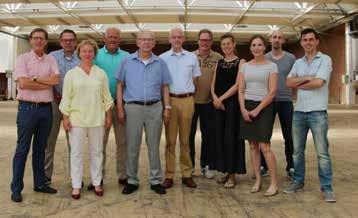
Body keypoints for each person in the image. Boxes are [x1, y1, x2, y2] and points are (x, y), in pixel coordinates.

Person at [116, 30, 171, 195]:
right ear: (137, 42)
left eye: (150, 40)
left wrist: (167, 107)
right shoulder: (126, 61)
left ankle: (155, 181)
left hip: (155, 107)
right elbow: (120, 85)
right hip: (133, 108)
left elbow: (165, 86)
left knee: (154, 145)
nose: (146, 42)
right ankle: (132, 180)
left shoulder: (160, 63)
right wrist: (120, 108)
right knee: (132, 146)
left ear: (154, 43)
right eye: (143, 40)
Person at [283, 28, 336, 203]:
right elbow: (288, 82)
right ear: (301, 43)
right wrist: (307, 79)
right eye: (305, 40)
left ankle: (327, 188)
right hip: (299, 112)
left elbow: (319, 83)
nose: (308, 43)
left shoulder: (325, 59)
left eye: (311, 39)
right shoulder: (298, 63)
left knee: (322, 153)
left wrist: (300, 82)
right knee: (297, 152)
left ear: (316, 41)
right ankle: (298, 181)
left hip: (318, 112)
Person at [59, 39, 113, 200]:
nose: (87, 54)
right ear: (79, 53)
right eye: (84, 51)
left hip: (97, 119)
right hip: (76, 120)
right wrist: (65, 118)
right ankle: (76, 185)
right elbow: (66, 98)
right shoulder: (71, 74)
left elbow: (107, 97)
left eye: (90, 51)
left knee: (97, 152)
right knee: (76, 153)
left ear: (95, 54)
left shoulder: (101, 73)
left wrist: (108, 116)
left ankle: (97, 183)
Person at [11, 28, 59, 203]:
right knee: (22, 150)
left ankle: (40, 183)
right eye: (35, 38)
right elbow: (22, 84)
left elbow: (55, 81)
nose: (39, 41)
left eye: (42, 39)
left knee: (40, 149)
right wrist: (42, 82)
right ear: (30, 40)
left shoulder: (51, 59)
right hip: (27, 109)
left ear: (46, 42)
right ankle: (16, 188)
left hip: (46, 110)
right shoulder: (22, 59)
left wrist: (34, 80)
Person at [160, 28, 201, 189]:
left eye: (179, 37)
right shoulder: (162, 58)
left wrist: (189, 96)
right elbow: (162, 83)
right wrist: (167, 105)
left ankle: (186, 174)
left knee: (185, 140)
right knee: (170, 141)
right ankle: (169, 175)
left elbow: (195, 81)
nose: (176, 39)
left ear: (183, 39)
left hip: (187, 100)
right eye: (173, 37)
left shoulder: (192, 57)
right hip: (170, 100)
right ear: (169, 39)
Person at [238, 35, 279, 196]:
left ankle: (274, 183)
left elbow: (273, 92)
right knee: (252, 145)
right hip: (247, 105)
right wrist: (243, 109)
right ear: (250, 48)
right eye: (253, 45)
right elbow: (241, 90)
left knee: (264, 146)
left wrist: (257, 110)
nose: (256, 47)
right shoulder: (245, 67)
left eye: (259, 45)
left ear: (264, 47)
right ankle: (258, 180)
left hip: (264, 107)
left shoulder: (272, 66)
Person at [92, 27, 129, 189]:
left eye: (116, 37)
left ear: (119, 39)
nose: (113, 39)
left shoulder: (127, 57)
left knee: (123, 142)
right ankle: (98, 177)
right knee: (100, 143)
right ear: (104, 38)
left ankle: (123, 175)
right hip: (100, 106)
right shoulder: (96, 55)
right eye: (110, 37)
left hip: (122, 104)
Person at [210, 33, 246, 188]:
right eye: (223, 44)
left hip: (232, 105)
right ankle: (224, 170)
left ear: (234, 44)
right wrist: (215, 98)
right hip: (218, 104)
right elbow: (213, 84)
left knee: (231, 138)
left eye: (228, 44)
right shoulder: (219, 62)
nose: (226, 46)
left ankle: (232, 175)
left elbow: (238, 85)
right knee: (220, 138)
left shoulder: (241, 62)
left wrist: (221, 99)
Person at [259, 31, 296, 179]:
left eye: (280, 37)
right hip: (268, 101)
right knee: (264, 134)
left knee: (289, 135)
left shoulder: (291, 58)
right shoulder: (264, 58)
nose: (277, 40)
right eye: (274, 37)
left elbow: (295, 78)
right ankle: (263, 165)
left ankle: (291, 166)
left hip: (286, 101)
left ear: (284, 40)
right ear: (270, 40)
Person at [44, 29, 80, 184]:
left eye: (71, 40)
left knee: (74, 143)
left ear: (75, 41)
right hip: (54, 103)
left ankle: (75, 178)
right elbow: (47, 77)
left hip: (74, 106)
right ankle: (45, 176)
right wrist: (54, 92)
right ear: (60, 42)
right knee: (48, 141)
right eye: (65, 40)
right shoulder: (52, 57)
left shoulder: (82, 57)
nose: (68, 43)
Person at [190, 28, 223, 178]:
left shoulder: (218, 58)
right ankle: (189, 167)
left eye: (207, 40)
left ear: (211, 42)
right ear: (198, 41)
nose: (204, 42)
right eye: (202, 40)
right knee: (188, 136)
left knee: (208, 135)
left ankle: (206, 165)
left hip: (209, 103)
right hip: (190, 102)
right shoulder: (190, 57)